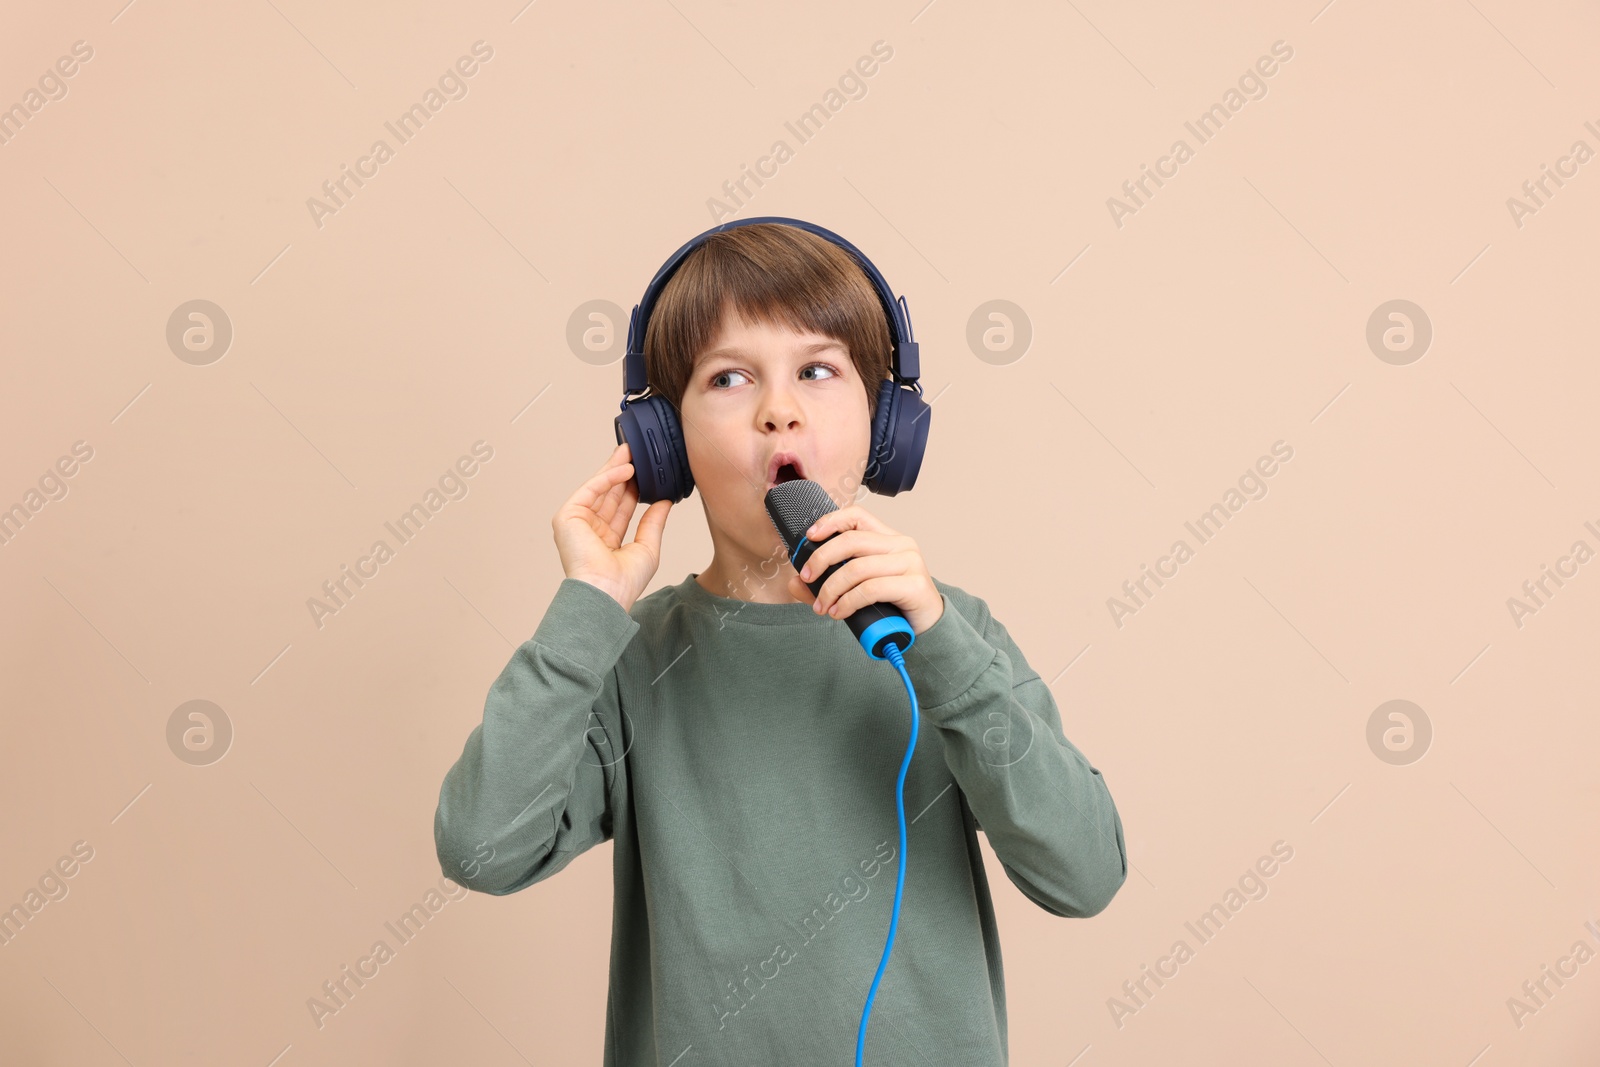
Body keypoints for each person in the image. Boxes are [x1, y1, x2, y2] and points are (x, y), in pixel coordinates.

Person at [433, 222, 1127, 1065]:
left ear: (886, 422)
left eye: (818, 370)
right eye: (729, 377)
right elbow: (480, 847)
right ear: (664, 444)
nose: (778, 408)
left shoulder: (951, 633)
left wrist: (943, 646)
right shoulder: (630, 658)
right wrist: (588, 606)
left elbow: (1083, 873)